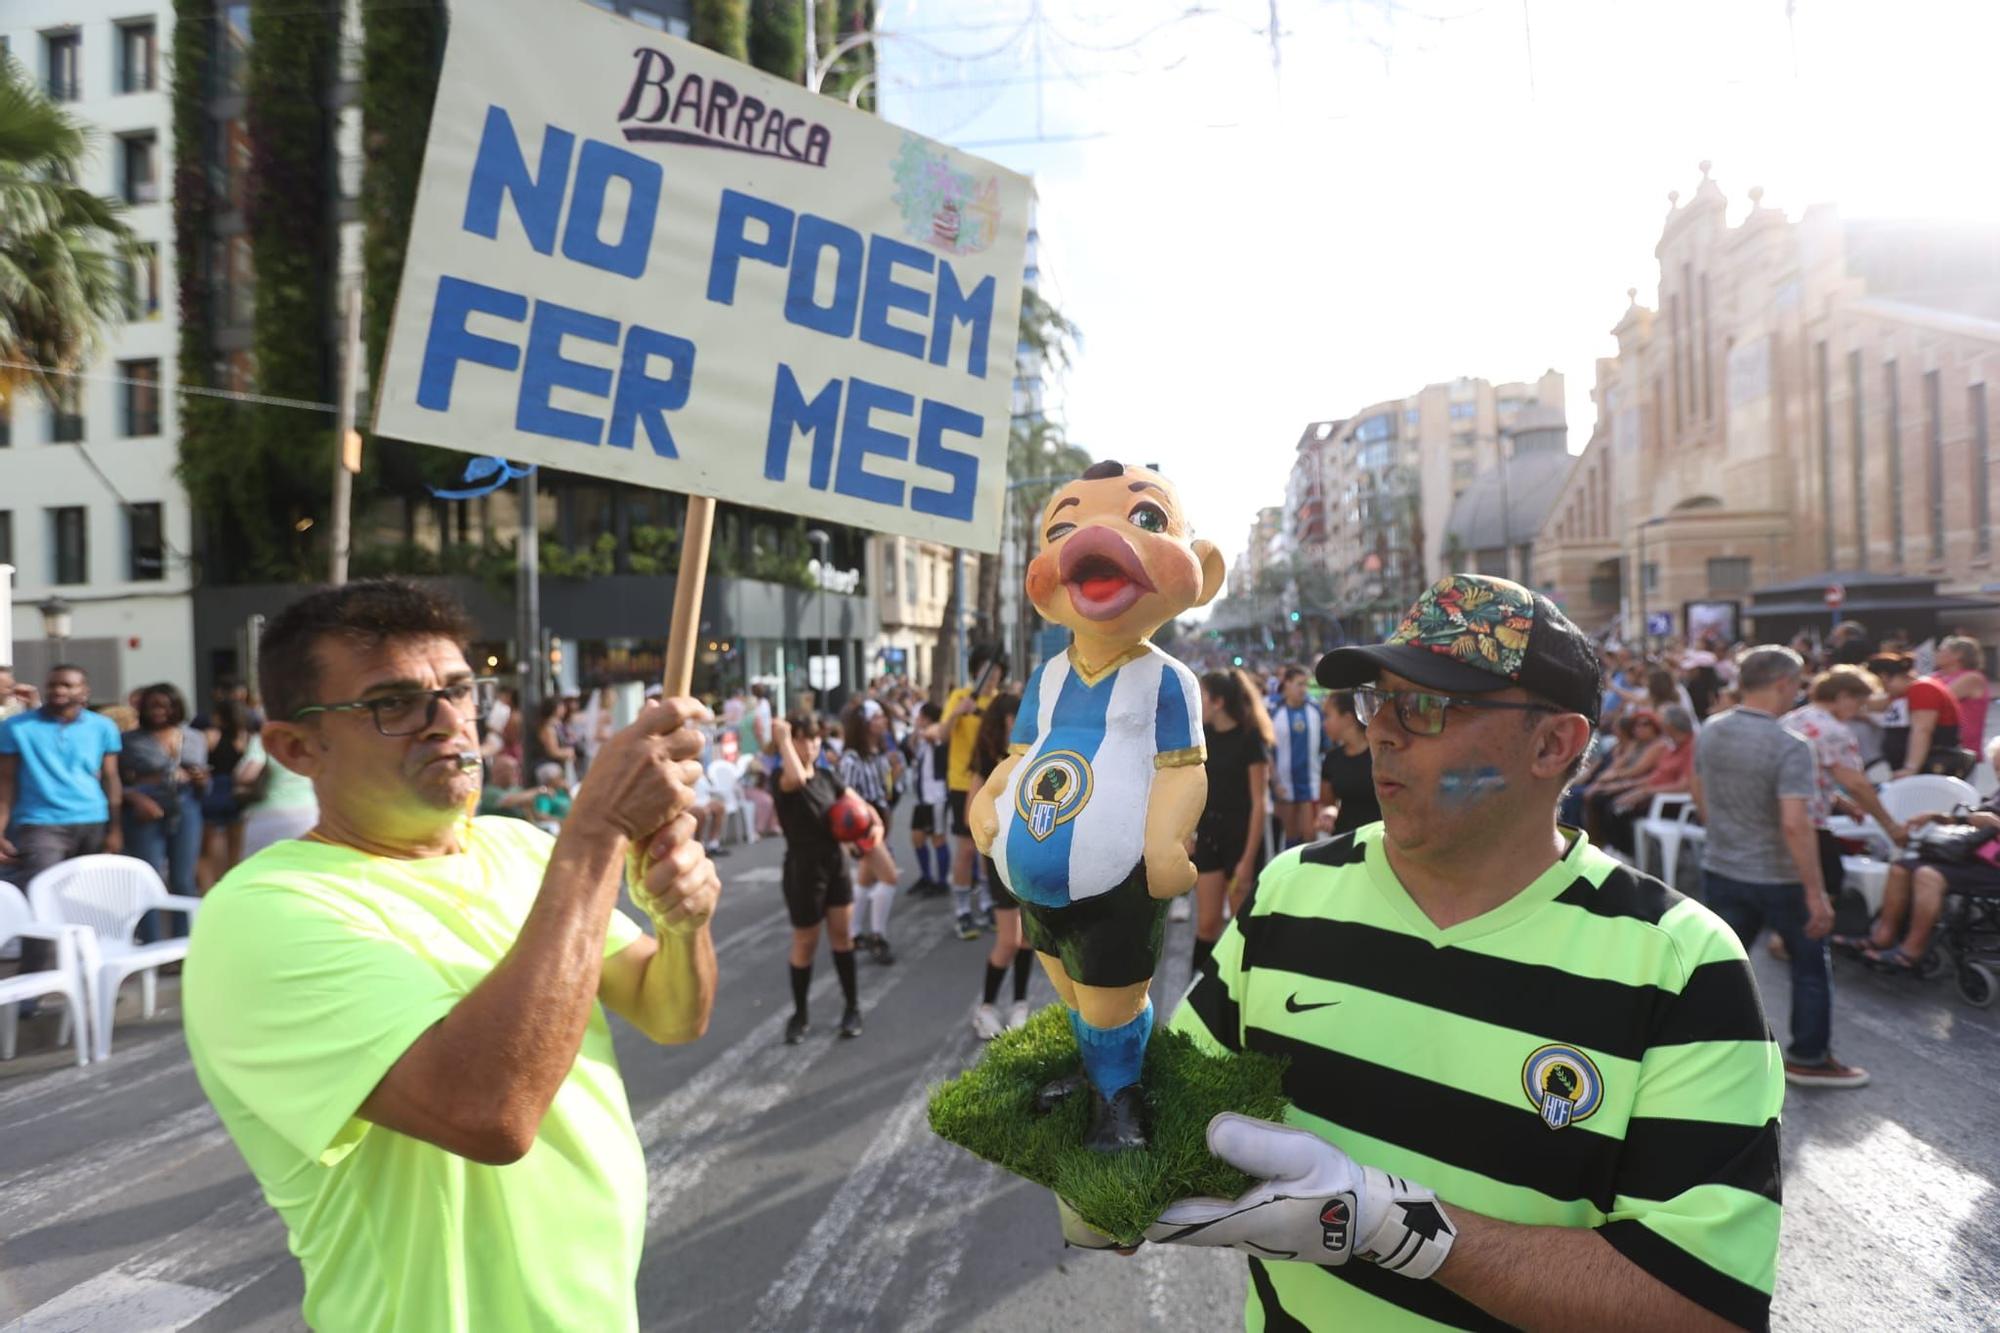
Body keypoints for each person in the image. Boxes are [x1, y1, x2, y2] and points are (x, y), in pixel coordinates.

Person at [1133, 575, 1783, 1331]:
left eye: (1427, 705)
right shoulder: (1292, 891)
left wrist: (1393, 1224)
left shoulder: (1681, 965)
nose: (1383, 731)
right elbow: (1177, 1107)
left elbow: (1706, 1307)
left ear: (1552, 744)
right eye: (1380, 699)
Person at [182, 579, 721, 1331]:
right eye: (393, 703)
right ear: (297, 747)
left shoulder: (520, 847)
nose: (448, 723)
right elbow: (489, 1113)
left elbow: (672, 1012)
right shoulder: (262, 915)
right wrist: (595, 835)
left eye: (460, 690)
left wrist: (683, 921)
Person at [1693, 645, 1867, 1088]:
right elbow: (1795, 824)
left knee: (1718, 967)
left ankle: (1703, 1053)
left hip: (1723, 865)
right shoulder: (1790, 746)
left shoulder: (1711, 729)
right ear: (1783, 684)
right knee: (1809, 967)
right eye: (1797, 683)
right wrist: (1816, 892)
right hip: (1780, 877)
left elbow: (1699, 789)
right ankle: (1809, 1056)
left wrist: (1724, 834)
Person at [0, 664, 124, 985]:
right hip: (40, 824)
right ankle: (33, 988)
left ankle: (94, 979)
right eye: (53, 684)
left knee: (89, 904)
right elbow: (6, 782)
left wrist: (115, 828)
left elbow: (112, 779)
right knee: (40, 902)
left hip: (93, 820)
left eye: (68, 685)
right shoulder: (16, 728)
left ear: (85, 691)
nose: (59, 690)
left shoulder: (103, 727)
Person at [770, 709, 875, 1042]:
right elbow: (797, 779)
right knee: (805, 944)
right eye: (802, 739)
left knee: (842, 939)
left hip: (835, 865)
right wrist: (783, 739)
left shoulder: (829, 778)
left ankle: (852, 1007)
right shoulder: (782, 780)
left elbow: (860, 806)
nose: (810, 745)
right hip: (803, 869)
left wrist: (876, 825)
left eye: (814, 738)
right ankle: (800, 1015)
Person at [1857, 735, 2000, 968]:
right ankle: (1883, 936)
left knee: (1929, 876)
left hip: (1993, 868)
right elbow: (1979, 816)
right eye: (1997, 769)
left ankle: (1912, 950)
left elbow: (1987, 819)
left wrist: (1988, 821)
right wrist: (1936, 816)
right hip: (1981, 858)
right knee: (1902, 868)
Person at [1782, 667, 1907, 933]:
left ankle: (1788, 936)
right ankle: (1797, 939)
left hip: (1781, 813)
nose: (1860, 710)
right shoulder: (1834, 731)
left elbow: (1813, 774)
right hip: (1809, 819)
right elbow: (1856, 782)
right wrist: (1890, 825)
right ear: (1842, 696)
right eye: (1859, 702)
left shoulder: (1793, 719)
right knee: (1829, 880)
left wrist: (1842, 803)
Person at [1187, 670, 1270, 971]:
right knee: (1207, 924)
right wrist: (1187, 834)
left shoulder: (1250, 739)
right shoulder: (1201, 737)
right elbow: (1191, 791)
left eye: (1202, 696)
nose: (1198, 704)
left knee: (1239, 928)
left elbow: (1260, 803)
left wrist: (1248, 859)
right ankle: (1195, 993)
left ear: (1218, 702)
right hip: (1209, 836)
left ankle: (1240, 1000)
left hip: (1241, 839)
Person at [969, 691, 1039, 1036]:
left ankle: (1020, 1004)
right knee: (1008, 940)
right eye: (1016, 718)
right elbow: (973, 809)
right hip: (999, 857)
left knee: (1028, 937)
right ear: (1002, 721)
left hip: (1027, 854)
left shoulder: (1030, 753)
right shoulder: (986, 760)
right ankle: (984, 1008)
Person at [120, 683, 210, 940]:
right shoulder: (129, 740)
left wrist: (202, 779)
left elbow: (205, 785)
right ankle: (151, 943)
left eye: (164, 705)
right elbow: (114, 782)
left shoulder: (194, 737)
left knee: (183, 879)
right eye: (152, 706)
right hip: (147, 810)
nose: (158, 711)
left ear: (176, 707)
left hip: (187, 807)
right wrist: (135, 797)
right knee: (149, 878)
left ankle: (184, 945)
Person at [942, 648, 1007, 939]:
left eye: (995, 673)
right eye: (985, 672)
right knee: (967, 849)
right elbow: (941, 735)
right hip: (962, 782)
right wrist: (957, 713)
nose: (991, 678)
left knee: (989, 848)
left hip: (994, 783)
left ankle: (988, 903)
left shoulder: (999, 703)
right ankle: (962, 911)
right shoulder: (960, 697)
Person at [837, 700, 902, 964]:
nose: (883, 721)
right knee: (889, 878)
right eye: (876, 717)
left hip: (879, 825)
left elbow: (885, 791)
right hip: (864, 829)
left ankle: (851, 934)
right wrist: (849, 840)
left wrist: (895, 772)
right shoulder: (851, 759)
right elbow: (845, 798)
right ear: (864, 723)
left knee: (865, 881)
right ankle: (878, 935)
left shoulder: (878, 753)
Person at [1598, 704, 1697, 857]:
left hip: (1669, 802)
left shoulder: (1691, 747)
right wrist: (1632, 786)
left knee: (1618, 810)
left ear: (1670, 726)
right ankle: (1619, 850)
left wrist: (1646, 791)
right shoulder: (1672, 746)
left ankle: (1627, 855)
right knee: (1609, 802)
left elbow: (1684, 786)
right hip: (1654, 794)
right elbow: (1656, 776)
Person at [1870, 653, 1965, 778]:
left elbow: (1922, 730)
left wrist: (1911, 767)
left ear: (1883, 677)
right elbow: (1873, 705)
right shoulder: (1901, 693)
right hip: (1915, 769)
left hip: (1931, 769)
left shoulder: (1922, 689)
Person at [198, 697, 254, 891]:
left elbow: (201, 762)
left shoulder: (211, 735)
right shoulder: (245, 737)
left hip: (214, 789)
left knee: (206, 850)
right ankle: (233, 887)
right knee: (235, 848)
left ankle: (208, 891)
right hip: (236, 791)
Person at [1268, 666, 1322, 847]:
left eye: (1305, 684)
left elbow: (1325, 746)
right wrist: (1274, 782)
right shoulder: (1274, 712)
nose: (1303, 689)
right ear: (1287, 684)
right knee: (1290, 837)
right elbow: (1267, 751)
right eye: (1299, 684)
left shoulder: (1315, 711)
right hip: (1284, 784)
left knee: (1309, 835)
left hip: (1310, 782)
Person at [1315, 689, 1378, 837]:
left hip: (1380, 840)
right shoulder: (1332, 759)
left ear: (1348, 718)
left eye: (1327, 716)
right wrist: (1328, 813)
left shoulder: (1380, 755)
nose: (1324, 724)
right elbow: (1327, 803)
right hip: (1344, 841)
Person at [905, 700, 950, 897]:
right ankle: (926, 877)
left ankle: (941, 882)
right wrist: (916, 730)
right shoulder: (920, 736)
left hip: (936, 796)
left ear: (927, 718)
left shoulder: (937, 731)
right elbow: (910, 745)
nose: (917, 719)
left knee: (937, 839)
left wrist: (921, 728)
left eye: (920, 716)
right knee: (917, 838)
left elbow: (934, 735)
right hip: (921, 798)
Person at [1933, 635, 1990, 754]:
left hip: (1961, 751)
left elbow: (1936, 700)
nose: (1936, 653)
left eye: (1941, 650)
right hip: (1936, 745)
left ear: (1958, 654)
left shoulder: (1972, 677)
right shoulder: (1935, 676)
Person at [476, 752, 540, 821]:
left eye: (517, 769)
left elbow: (531, 813)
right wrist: (538, 791)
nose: (517, 773)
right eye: (512, 769)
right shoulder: (489, 792)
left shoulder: (517, 789)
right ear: (498, 772)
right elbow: (507, 802)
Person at [530, 761, 574, 831]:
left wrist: (568, 793)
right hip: (558, 828)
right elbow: (542, 816)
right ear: (550, 780)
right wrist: (561, 821)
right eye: (559, 776)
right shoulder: (545, 796)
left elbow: (574, 807)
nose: (562, 778)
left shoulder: (562, 792)